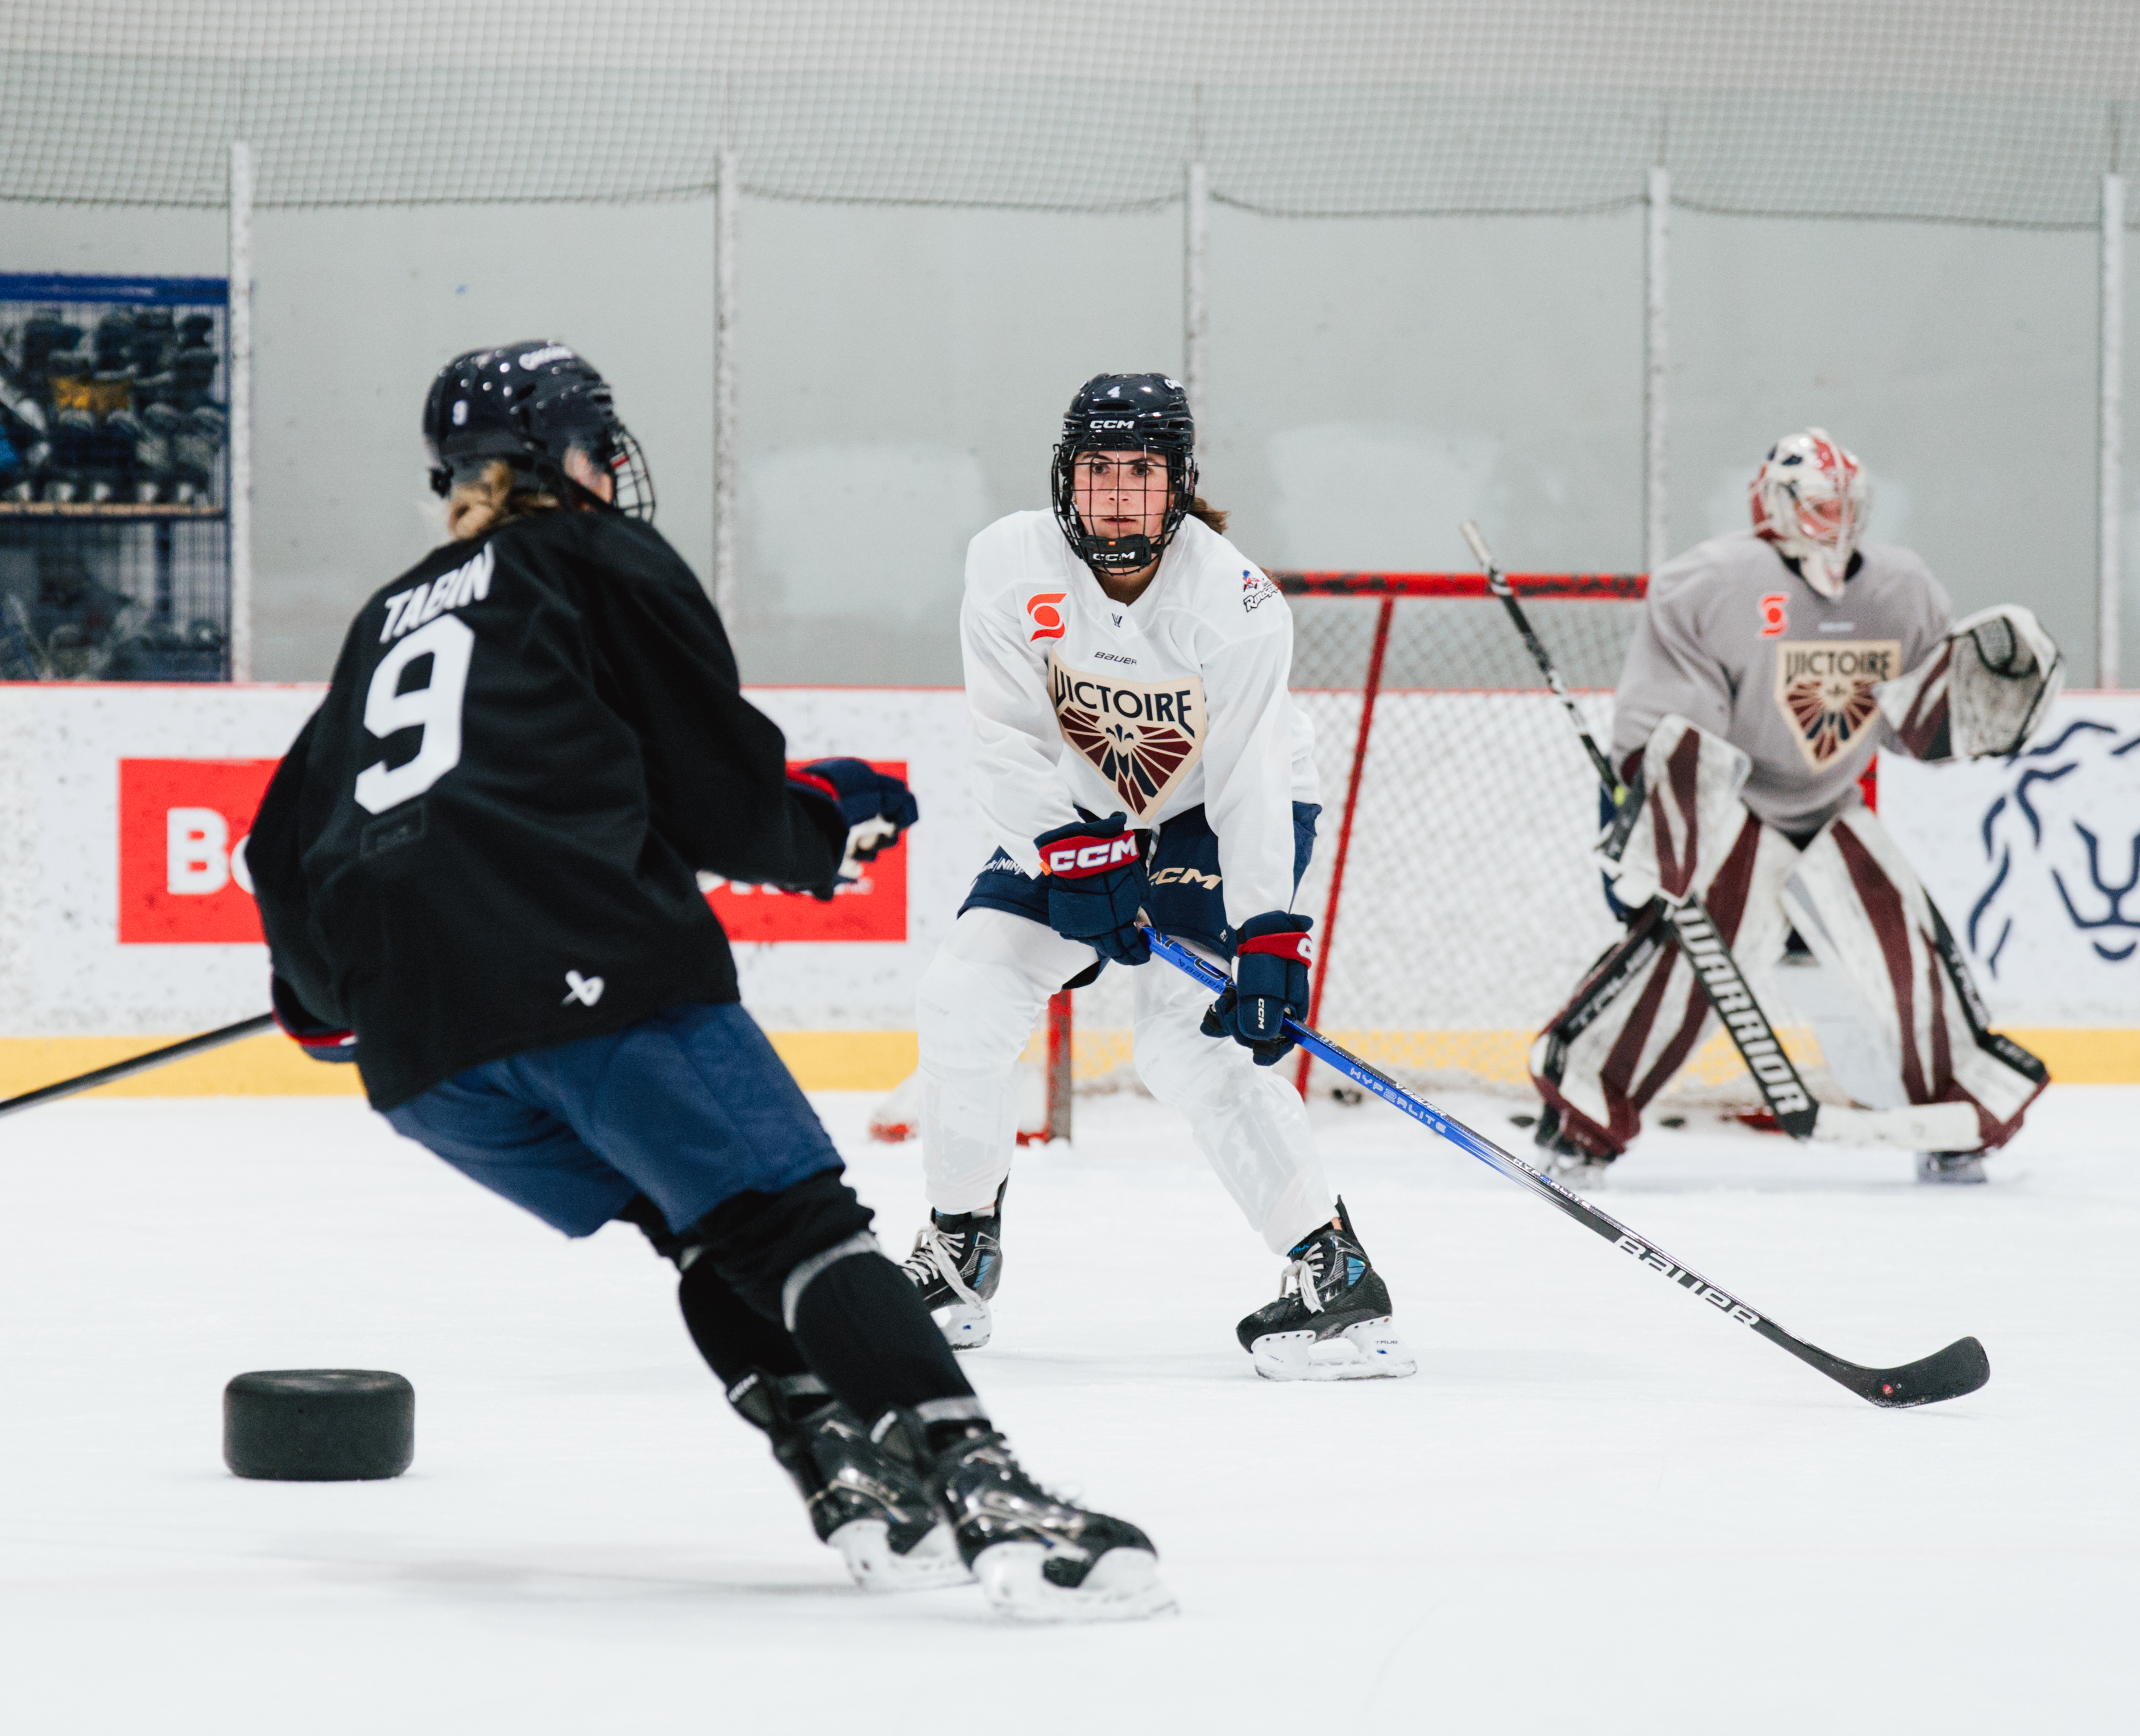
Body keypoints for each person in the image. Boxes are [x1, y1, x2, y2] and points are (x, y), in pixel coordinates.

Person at [244, 342, 1169, 1622]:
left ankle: (844, 1474)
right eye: (593, 443)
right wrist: (820, 822)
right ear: (563, 457)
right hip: (591, 987)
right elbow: (719, 797)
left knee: (702, 1227)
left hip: (425, 1066)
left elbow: (281, 852)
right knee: (793, 1226)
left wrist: (328, 996)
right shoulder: (592, 558)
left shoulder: (381, 620)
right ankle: (987, 1494)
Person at [899, 372, 1415, 1383]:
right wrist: (1071, 847)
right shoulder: (1007, 564)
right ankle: (960, 1255)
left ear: (1179, 483)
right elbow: (1003, 738)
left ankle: (1334, 1277)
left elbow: (1255, 779)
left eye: (1144, 472)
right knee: (964, 993)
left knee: (1188, 1037)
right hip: (1079, 816)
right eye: (1100, 470)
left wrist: (1268, 933)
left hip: (1211, 819)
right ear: (1067, 478)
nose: (1121, 495)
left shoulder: (1235, 601)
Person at [1529, 429, 2060, 1187]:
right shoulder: (1709, 584)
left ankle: (1957, 1116)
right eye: (1817, 505)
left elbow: (1917, 727)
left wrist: (1975, 710)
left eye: (1845, 505)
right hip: (1738, 802)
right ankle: (1583, 1119)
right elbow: (1673, 729)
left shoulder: (1901, 588)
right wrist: (1665, 826)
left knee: (1907, 947)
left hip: (1831, 799)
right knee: (1685, 963)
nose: (1834, 522)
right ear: (1771, 503)